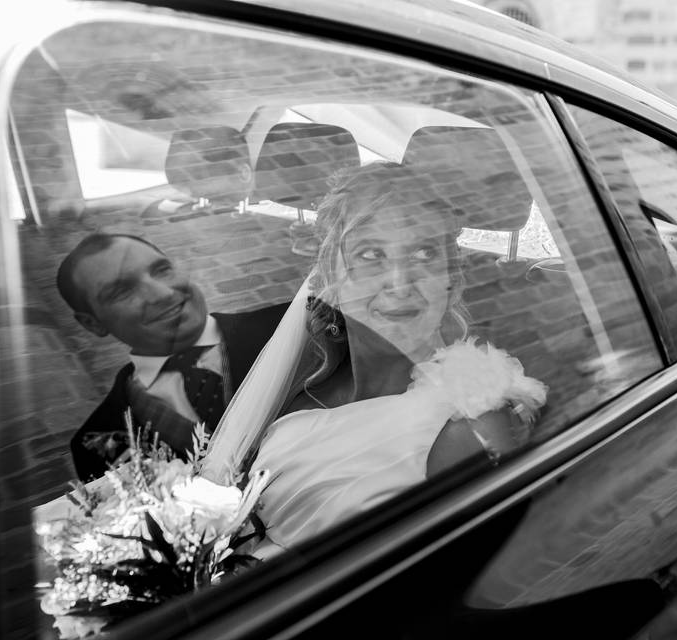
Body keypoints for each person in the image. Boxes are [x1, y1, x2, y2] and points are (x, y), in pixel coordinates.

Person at [201, 162, 547, 550]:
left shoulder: (468, 425)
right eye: (370, 255)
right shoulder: (299, 384)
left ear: (451, 278)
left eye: (423, 253)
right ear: (329, 277)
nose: (400, 284)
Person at [57, 232, 288, 481]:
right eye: (121, 291)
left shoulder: (297, 324)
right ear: (92, 324)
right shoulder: (97, 439)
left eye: (162, 270)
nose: (163, 294)